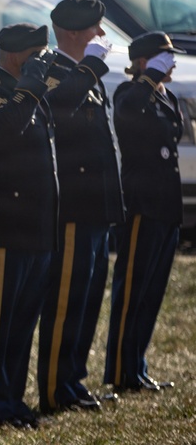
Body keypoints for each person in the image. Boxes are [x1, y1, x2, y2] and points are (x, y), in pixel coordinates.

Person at [37, 0, 123, 414]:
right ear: (73, 33)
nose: (101, 36)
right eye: (94, 28)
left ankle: (73, 379)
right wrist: (89, 67)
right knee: (67, 301)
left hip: (95, 208)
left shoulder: (85, 74)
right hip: (72, 207)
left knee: (88, 299)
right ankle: (55, 386)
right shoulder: (55, 73)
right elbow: (56, 112)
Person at [0, 24, 57, 430]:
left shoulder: (33, 92)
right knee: (1, 324)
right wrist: (28, 88)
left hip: (38, 229)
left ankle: (12, 398)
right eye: (35, 55)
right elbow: (4, 133)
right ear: (12, 56)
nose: (42, 62)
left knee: (24, 323)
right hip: (11, 227)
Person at [105, 32, 183, 393]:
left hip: (166, 205)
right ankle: (121, 369)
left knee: (151, 293)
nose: (170, 64)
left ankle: (136, 366)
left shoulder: (164, 96)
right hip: (141, 205)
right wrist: (149, 77)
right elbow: (129, 113)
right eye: (162, 58)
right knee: (132, 291)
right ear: (142, 61)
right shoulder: (129, 92)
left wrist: (157, 83)